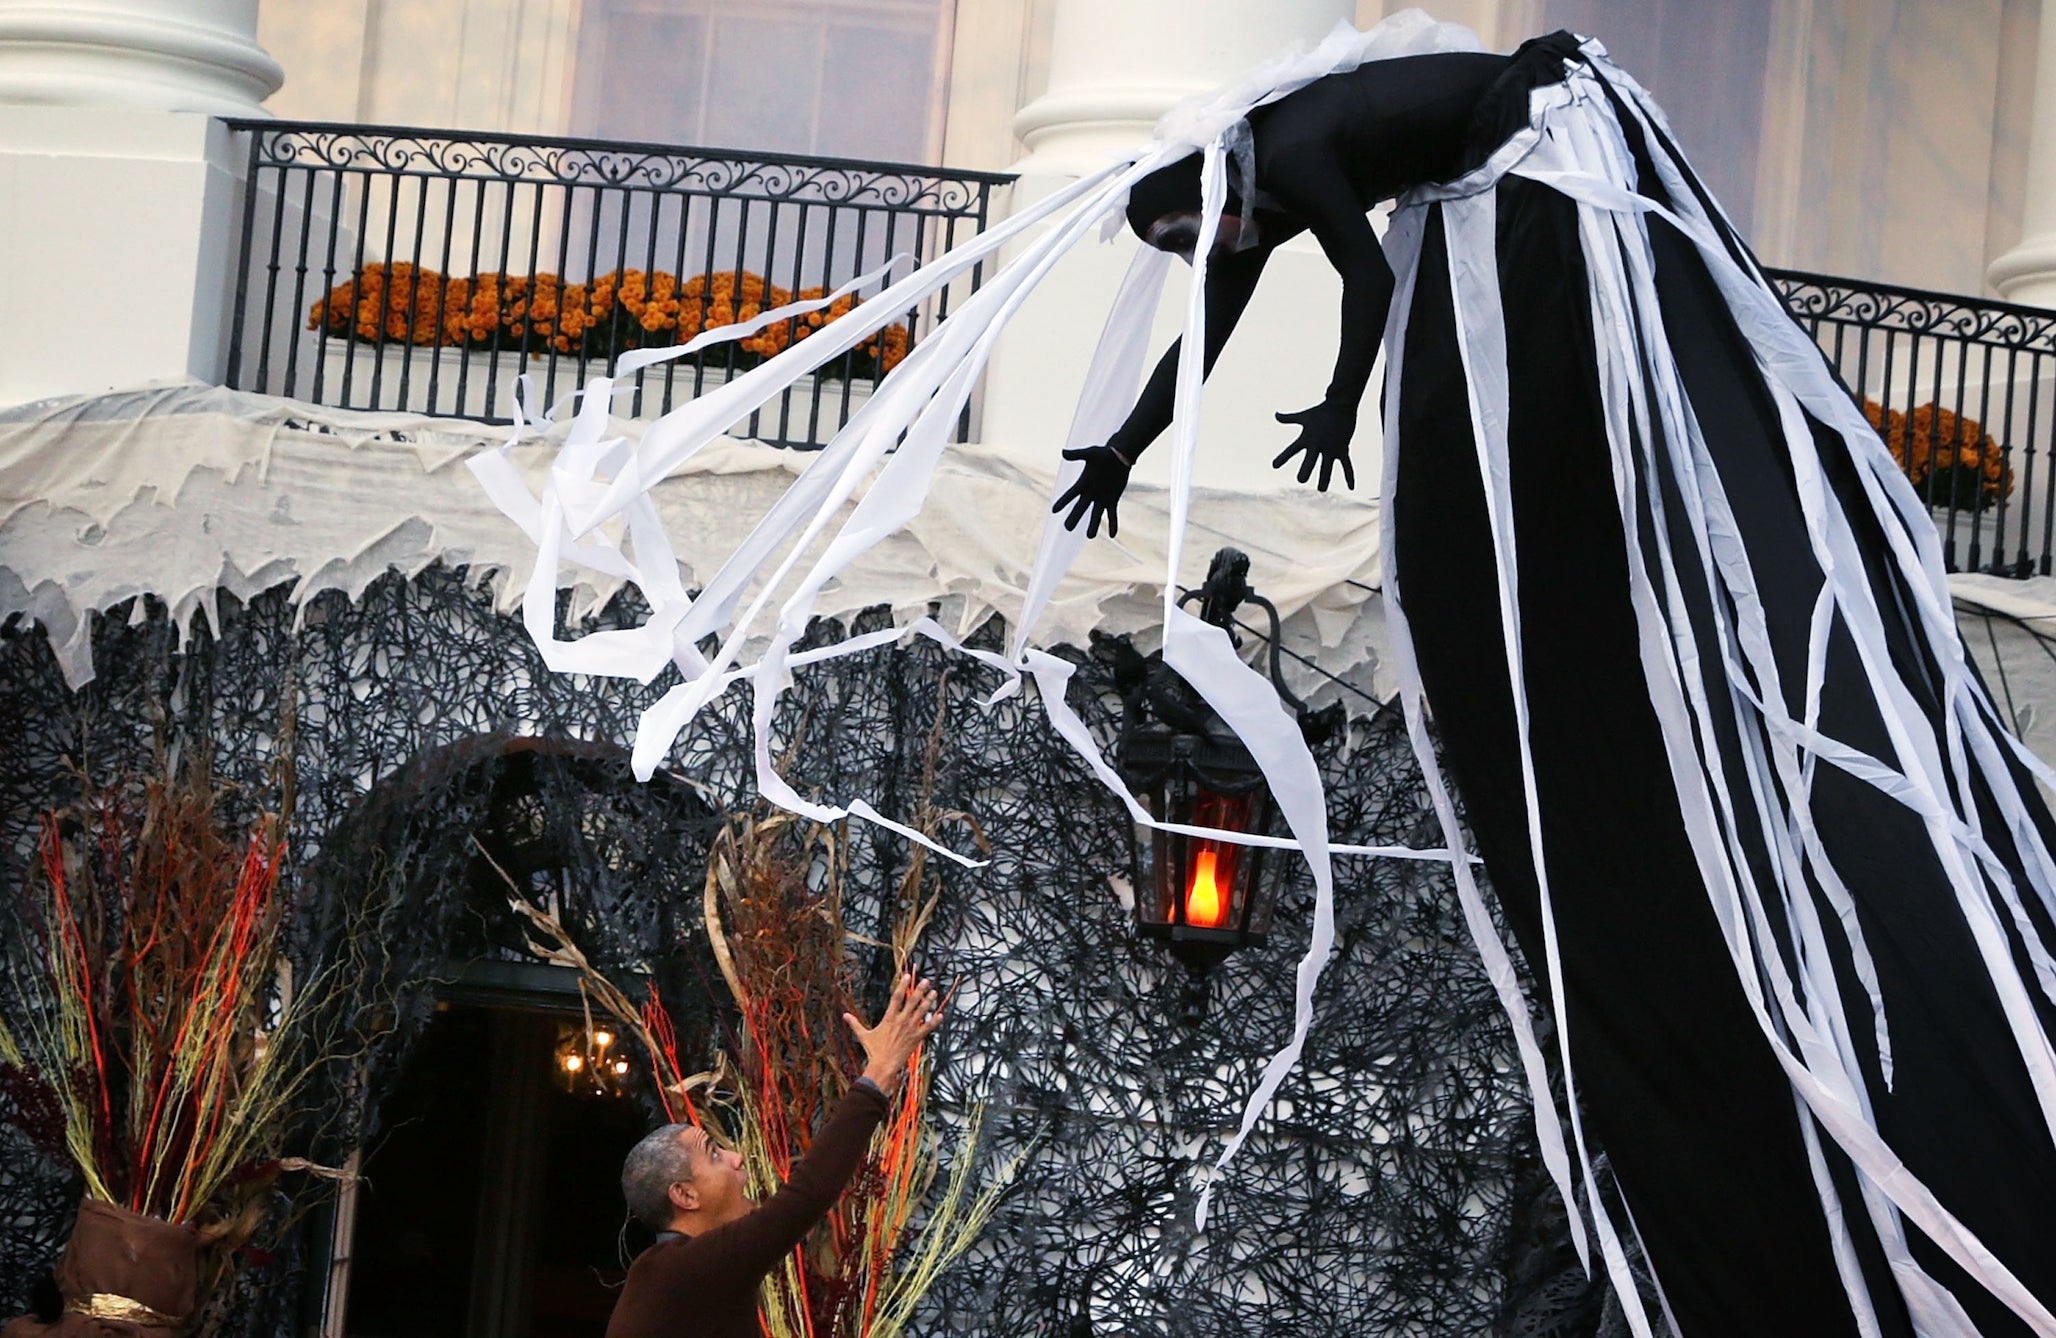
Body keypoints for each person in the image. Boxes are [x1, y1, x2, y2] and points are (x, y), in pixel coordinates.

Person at [1055, 30, 2056, 1338]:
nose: (1217, 253)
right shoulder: (1255, 198)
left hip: (1548, 140)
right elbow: (1209, 332)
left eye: (1203, 232)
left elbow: (1361, 278)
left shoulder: (1291, 150)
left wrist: (1342, 398)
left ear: (1215, 188)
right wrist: (1126, 447)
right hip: (1494, 183)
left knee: (1507, 431)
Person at [603, 973, 943, 1338]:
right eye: (714, 1155)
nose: (737, 1158)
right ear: (685, 1195)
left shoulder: (673, 1274)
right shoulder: (685, 1272)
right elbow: (805, 1198)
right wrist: (878, 1072)